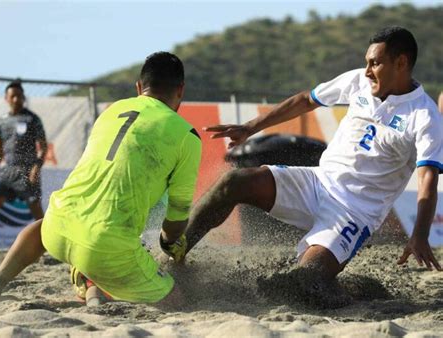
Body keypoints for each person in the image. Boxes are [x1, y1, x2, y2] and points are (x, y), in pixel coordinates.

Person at [184, 26, 442, 284]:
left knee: (306, 282)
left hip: (354, 212)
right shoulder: (358, 82)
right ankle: (175, 253)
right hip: (315, 182)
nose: (366, 71)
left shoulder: (424, 115)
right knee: (233, 182)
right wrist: (250, 127)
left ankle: (353, 289)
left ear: (401, 62)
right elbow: (306, 100)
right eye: (366, 63)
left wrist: (419, 234)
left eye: (375, 64)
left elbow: (427, 179)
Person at [0, 52, 202, 306]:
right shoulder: (187, 136)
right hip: (104, 247)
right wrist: (171, 244)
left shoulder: (111, 110)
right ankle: (92, 280)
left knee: (42, 226)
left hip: (57, 230)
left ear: (138, 88)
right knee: (178, 300)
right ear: (180, 90)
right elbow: (177, 218)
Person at [0, 81, 47, 248]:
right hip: (7, 170)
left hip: (27, 170)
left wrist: (36, 167)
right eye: (13, 96)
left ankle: (48, 246)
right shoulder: (2, 121)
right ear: (6, 98)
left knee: (37, 213)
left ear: (23, 97)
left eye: (20, 96)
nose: (17, 99)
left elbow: (43, 147)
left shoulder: (32, 119)